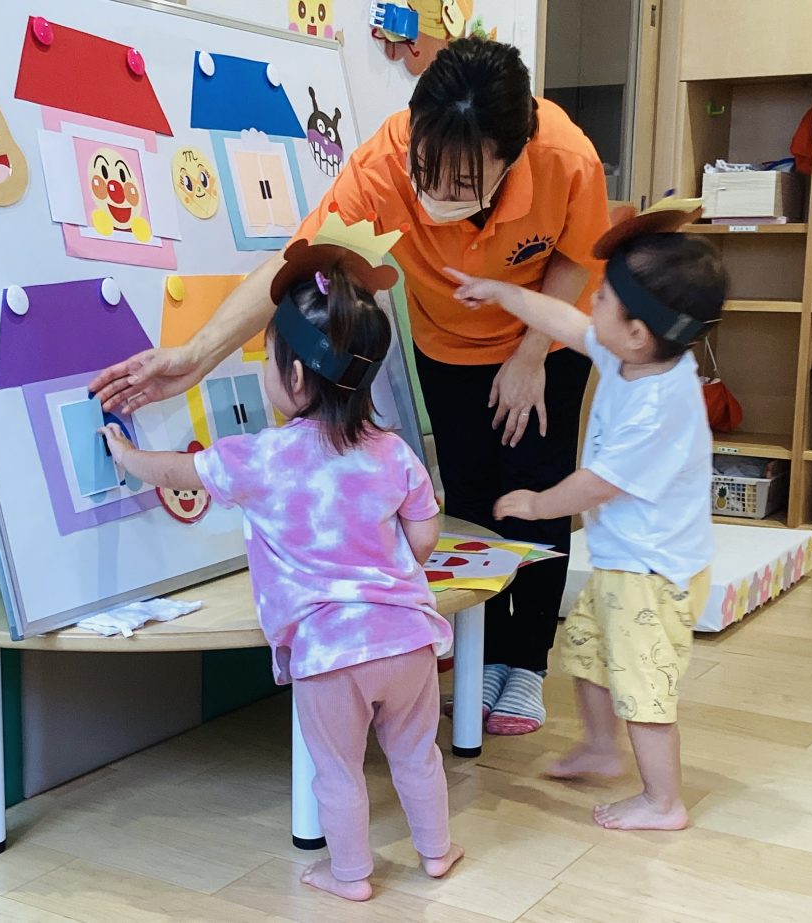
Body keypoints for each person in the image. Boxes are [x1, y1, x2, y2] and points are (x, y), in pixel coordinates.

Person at [91, 37, 611, 736]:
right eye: (427, 170)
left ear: (510, 158)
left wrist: (531, 353)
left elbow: (577, 257)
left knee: (537, 487)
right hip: (448, 342)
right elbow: (295, 261)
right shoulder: (381, 168)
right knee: (473, 488)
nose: (437, 193)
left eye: (462, 183)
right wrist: (197, 354)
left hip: (546, 337)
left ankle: (528, 661)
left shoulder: (567, 159)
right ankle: (487, 654)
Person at [101, 256, 463, 901]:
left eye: (267, 358)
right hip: (408, 640)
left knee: (338, 773)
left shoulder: (260, 457)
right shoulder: (394, 451)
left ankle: (349, 876)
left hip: (329, 653)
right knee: (417, 756)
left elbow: (180, 473)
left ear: (293, 375)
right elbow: (425, 536)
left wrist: (127, 455)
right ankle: (436, 853)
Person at [448, 200, 728, 830]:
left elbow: (595, 485)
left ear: (637, 330)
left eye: (601, 297)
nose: (588, 304)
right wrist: (501, 292)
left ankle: (663, 801)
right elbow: (563, 320)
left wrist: (535, 504)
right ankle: (602, 749)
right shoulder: (633, 355)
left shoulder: (658, 407)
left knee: (643, 687)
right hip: (627, 563)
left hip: (653, 576)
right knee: (590, 653)